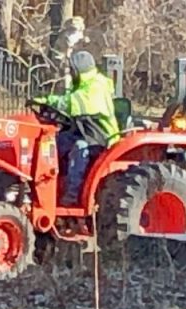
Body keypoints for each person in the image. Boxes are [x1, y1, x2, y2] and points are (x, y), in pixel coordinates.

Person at [34, 51, 120, 206]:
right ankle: (46, 185)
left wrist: (47, 100)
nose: (70, 73)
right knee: (54, 143)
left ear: (79, 71)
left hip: (101, 137)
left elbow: (71, 103)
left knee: (79, 148)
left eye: (72, 70)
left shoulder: (96, 87)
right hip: (86, 132)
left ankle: (72, 196)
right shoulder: (83, 85)